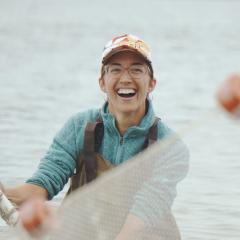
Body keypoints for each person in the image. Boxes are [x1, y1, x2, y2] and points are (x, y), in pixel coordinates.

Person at [0, 34, 189, 239]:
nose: (126, 78)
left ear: (151, 83)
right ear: (102, 83)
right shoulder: (79, 126)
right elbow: (45, 182)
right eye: (115, 69)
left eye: (136, 69)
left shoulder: (171, 146)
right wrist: (6, 194)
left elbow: (149, 206)